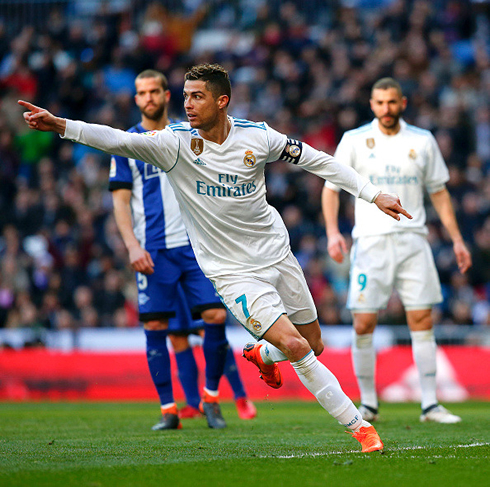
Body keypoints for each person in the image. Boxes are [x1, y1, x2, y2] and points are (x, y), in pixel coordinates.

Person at [19, 63, 412, 453]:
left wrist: (374, 194)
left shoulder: (257, 137)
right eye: (186, 96)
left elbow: (316, 159)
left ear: (222, 101)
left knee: (313, 344)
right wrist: (61, 125)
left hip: (277, 255)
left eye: (197, 97)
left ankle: (262, 353)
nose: (187, 105)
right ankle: (361, 429)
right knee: (296, 346)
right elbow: (117, 140)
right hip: (231, 272)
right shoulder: (172, 144)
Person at [109, 69, 255, 429]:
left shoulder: (189, 135)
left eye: (154, 91)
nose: (148, 98)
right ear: (136, 98)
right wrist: (131, 246)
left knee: (216, 318)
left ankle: (211, 399)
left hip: (196, 246)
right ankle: (168, 410)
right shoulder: (129, 143)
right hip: (154, 251)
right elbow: (121, 201)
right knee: (158, 326)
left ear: (166, 94)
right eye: (141, 93)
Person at [322, 77, 472, 424]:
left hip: (413, 240)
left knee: (422, 320)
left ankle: (430, 404)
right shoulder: (354, 141)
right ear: (371, 105)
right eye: (379, 103)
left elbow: (439, 192)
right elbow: (331, 188)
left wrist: (457, 238)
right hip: (370, 242)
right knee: (363, 323)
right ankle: (369, 404)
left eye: (392, 102)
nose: (386, 108)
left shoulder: (422, 140)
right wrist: (333, 232)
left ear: (402, 103)